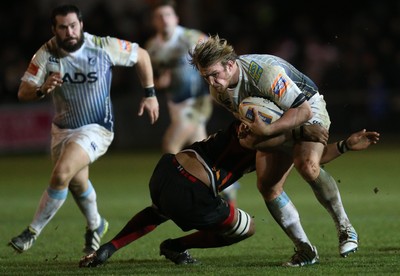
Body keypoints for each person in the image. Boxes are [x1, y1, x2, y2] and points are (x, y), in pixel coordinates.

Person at [78, 120, 379, 267]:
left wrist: (343, 146)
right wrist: (300, 133)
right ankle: (174, 245)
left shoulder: (269, 130)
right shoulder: (256, 122)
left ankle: (109, 248)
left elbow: (310, 160)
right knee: (247, 228)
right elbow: (251, 137)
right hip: (193, 189)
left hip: (166, 171)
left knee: (159, 210)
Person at [189, 35, 364, 266]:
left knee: (308, 167)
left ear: (230, 65)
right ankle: (305, 249)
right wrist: (248, 127)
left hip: (306, 106)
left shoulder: (263, 74)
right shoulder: (219, 92)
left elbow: (302, 111)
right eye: (205, 77)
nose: (211, 82)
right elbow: (250, 120)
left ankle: (345, 228)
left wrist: (270, 129)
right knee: (267, 186)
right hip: (277, 119)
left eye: (214, 74)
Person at [8, 4, 159, 254]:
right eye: (63, 27)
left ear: (81, 25)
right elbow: (23, 92)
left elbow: (141, 55)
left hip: (96, 128)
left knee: (61, 174)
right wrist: (42, 88)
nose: (70, 32)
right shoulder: (46, 53)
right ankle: (96, 225)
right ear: (54, 29)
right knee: (77, 183)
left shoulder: (101, 46)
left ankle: (31, 232)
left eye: (73, 26)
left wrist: (150, 94)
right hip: (63, 130)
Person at [144, 0, 238, 205]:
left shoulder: (191, 38)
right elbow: (155, 76)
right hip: (176, 105)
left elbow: (218, 55)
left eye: (168, 15)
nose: (164, 20)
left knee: (171, 145)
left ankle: (166, 198)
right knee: (203, 155)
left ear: (176, 18)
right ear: (154, 22)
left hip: (197, 103)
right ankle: (228, 190)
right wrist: (160, 82)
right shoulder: (152, 47)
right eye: (160, 17)